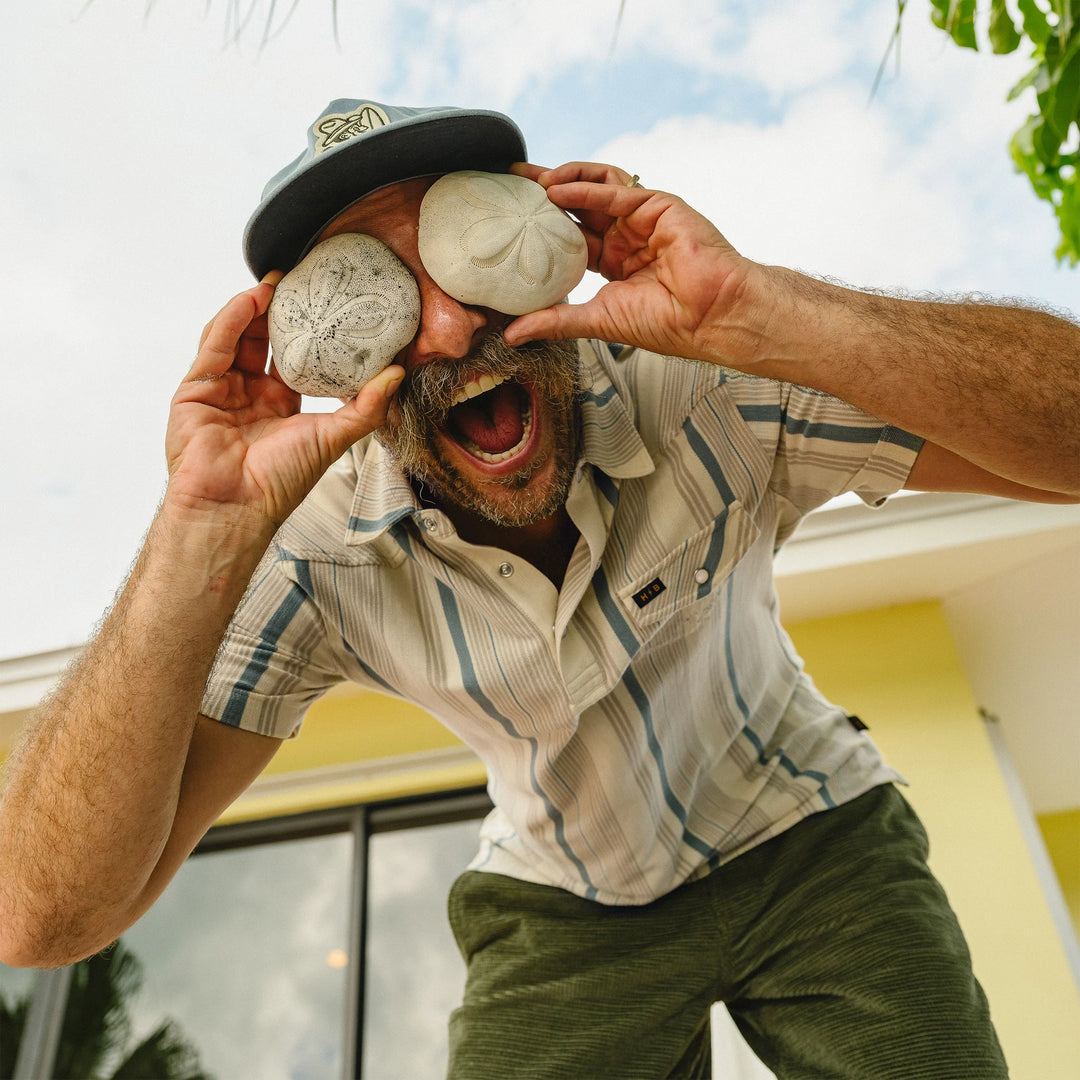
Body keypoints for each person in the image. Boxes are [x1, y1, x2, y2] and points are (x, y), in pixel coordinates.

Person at [1, 97, 1077, 1079]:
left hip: (814, 830)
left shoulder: (710, 388)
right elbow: (37, 917)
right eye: (376, 290)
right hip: (567, 905)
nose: (448, 329)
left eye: (469, 255)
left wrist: (759, 308)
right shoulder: (318, 551)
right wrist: (200, 526)